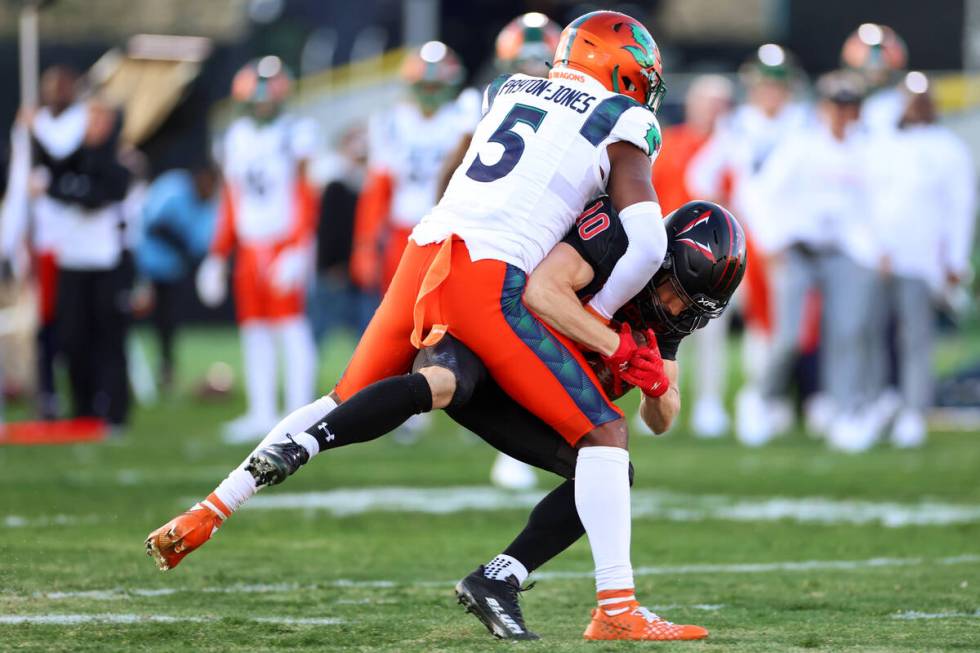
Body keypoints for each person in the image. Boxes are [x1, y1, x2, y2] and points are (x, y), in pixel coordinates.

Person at [149, 10, 684, 641]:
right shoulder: (623, 118)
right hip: (488, 274)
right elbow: (648, 244)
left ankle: (213, 506)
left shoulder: (508, 89)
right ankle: (615, 606)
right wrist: (598, 319)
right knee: (605, 435)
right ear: (617, 68)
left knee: (341, 398)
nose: (645, 90)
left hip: (423, 247)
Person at [752, 71, 882, 452]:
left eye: (849, 106)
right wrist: (770, 242)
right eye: (837, 105)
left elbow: (874, 206)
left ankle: (843, 412)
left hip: (844, 252)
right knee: (788, 337)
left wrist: (871, 249)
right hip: (799, 249)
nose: (843, 113)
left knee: (846, 332)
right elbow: (762, 193)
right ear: (824, 108)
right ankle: (762, 400)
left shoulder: (866, 149)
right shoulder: (801, 145)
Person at [686, 45, 811, 444]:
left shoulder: (804, 125)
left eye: (777, 85)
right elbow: (701, 176)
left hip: (784, 243)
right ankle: (709, 402)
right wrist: (725, 217)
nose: (770, 93)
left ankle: (763, 399)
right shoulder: (736, 125)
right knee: (710, 324)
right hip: (739, 246)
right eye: (764, 85)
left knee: (775, 331)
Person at [196, 56, 319, 442]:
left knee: (289, 325)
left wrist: (299, 246)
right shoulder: (235, 137)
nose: (264, 105)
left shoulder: (295, 132)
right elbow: (231, 200)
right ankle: (262, 410)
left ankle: (299, 411)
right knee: (254, 329)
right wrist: (218, 253)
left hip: (284, 240)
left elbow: (305, 192)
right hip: (250, 246)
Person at [866, 73, 976, 448]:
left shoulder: (947, 149)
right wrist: (873, 245)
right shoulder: (884, 145)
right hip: (880, 256)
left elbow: (960, 208)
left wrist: (955, 259)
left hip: (921, 259)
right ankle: (879, 400)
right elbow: (871, 200)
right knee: (873, 334)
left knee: (915, 338)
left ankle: (914, 409)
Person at [645, 74, 733, 437]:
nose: (712, 110)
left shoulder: (732, 147)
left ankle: (710, 403)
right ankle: (653, 398)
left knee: (712, 333)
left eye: (719, 103)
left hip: (715, 259)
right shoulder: (670, 142)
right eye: (706, 101)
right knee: (653, 331)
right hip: (668, 255)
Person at [135, 164, 219, 390]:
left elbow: (200, 247)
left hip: (173, 271)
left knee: (168, 324)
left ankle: (166, 371)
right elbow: (154, 224)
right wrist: (182, 243)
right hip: (143, 264)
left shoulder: (209, 208)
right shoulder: (174, 187)